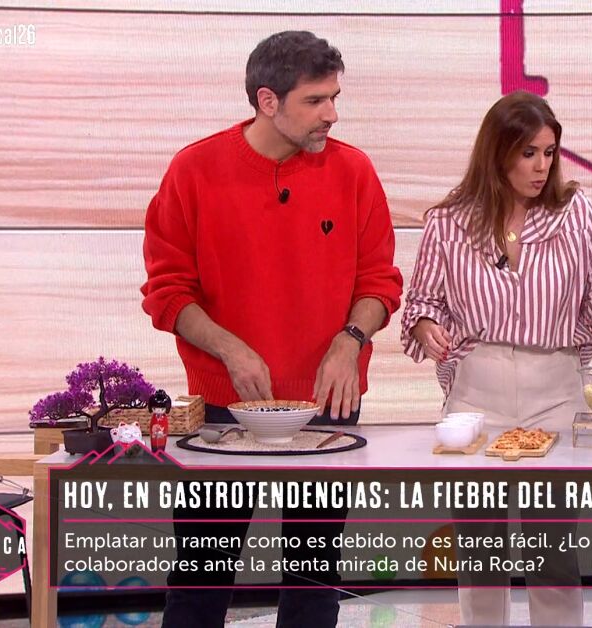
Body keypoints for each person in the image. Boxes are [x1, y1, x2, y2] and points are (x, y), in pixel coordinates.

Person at [140, 31, 403, 627]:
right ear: (267, 100)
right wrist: (229, 348)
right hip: (224, 410)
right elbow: (167, 291)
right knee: (201, 579)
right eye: (315, 100)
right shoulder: (194, 170)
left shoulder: (354, 171)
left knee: (313, 580)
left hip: (327, 405)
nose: (331, 114)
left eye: (334, 98)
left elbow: (380, 282)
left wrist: (350, 342)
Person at [401, 90, 592, 625]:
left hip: (555, 390)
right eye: (528, 153)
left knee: (551, 551)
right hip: (476, 393)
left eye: (549, 152)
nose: (541, 166)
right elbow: (422, 303)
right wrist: (429, 328)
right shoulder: (449, 221)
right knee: (480, 553)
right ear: (498, 152)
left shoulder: (574, 213)